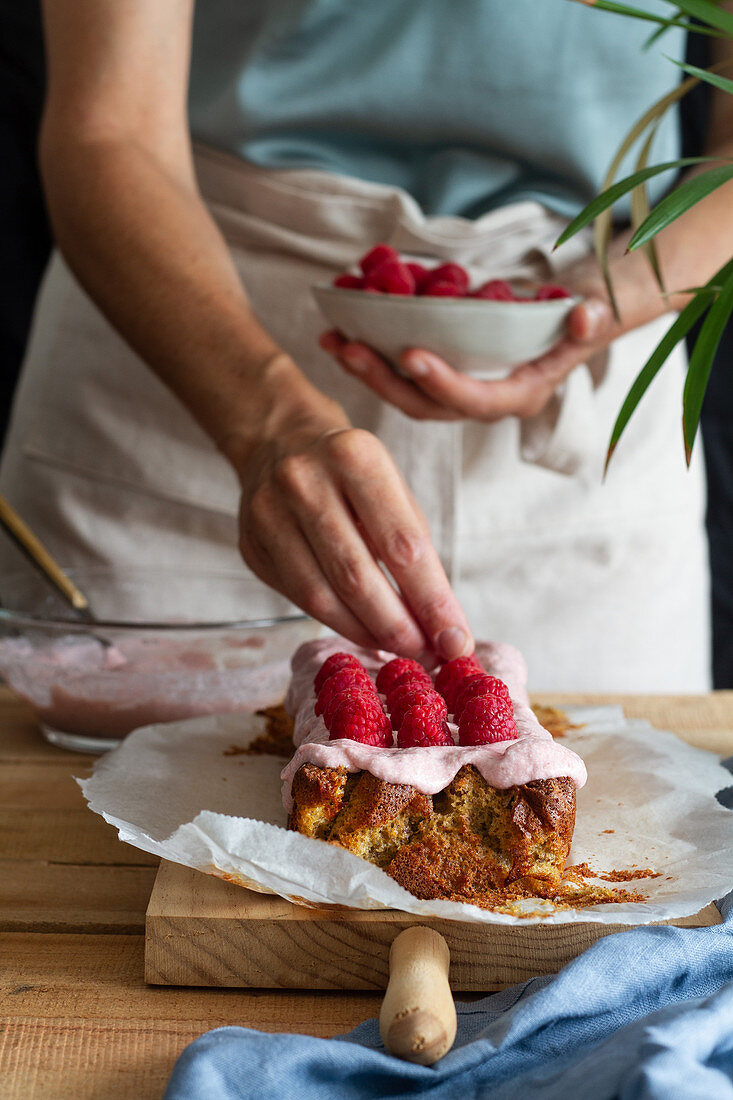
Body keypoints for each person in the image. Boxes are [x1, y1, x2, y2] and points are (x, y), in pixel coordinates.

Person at [2, 1, 732, 690]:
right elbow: (109, 130)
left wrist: (601, 307)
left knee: (615, 816)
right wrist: (263, 422)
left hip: (590, 403)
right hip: (190, 358)